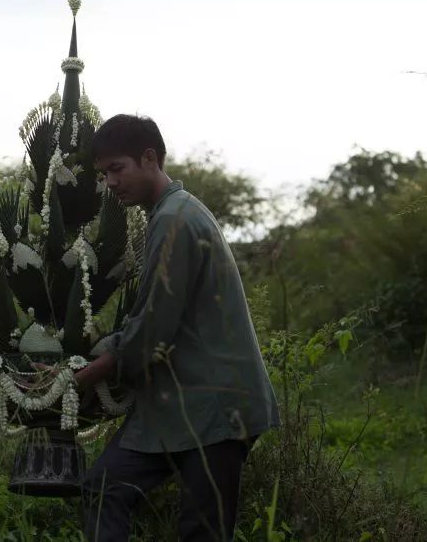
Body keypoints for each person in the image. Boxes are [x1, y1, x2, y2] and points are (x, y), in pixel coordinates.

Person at [75, 115, 280, 542]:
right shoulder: (170, 213)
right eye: (103, 173)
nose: (110, 182)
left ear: (150, 158)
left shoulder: (174, 220)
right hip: (180, 405)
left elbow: (152, 328)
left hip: (217, 406)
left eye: (117, 168)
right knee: (105, 488)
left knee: (200, 531)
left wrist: (87, 377)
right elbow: (154, 316)